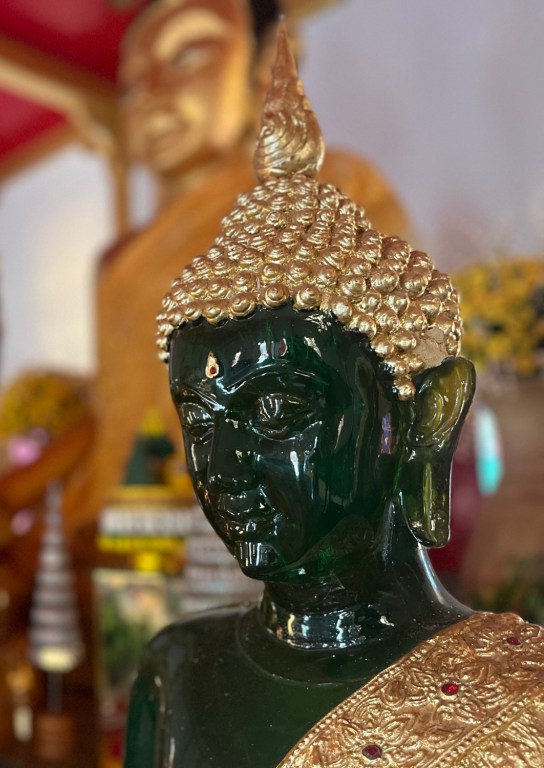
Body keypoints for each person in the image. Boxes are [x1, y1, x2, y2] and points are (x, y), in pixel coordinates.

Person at [123, 29, 544, 767]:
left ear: (426, 416)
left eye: (276, 411)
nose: (220, 468)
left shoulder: (521, 700)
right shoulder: (177, 668)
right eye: (199, 419)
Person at [73, 0, 407, 531]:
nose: (149, 96)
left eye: (186, 56)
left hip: (273, 506)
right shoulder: (116, 262)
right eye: (131, 87)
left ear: (264, 63)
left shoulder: (333, 189)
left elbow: (387, 378)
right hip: (118, 516)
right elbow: (108, 422)